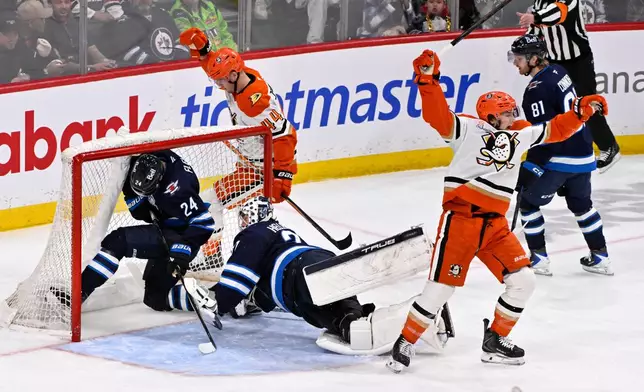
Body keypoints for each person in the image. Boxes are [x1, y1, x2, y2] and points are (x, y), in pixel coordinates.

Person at [385, 49, 608, 373]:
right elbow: (437, 116)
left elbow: (557, 129)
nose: (513, 115)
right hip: (461, 220)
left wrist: (580, 111)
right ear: (490, 118)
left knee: (524, 281)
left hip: (495, 226)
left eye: (513, 109)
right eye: (506, 112)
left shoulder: (519, 135)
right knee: (441, 288)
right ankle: (405, 341)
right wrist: (427, 80)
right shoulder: (468, 131)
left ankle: (495, 340)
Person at [182, 195, 453, 352]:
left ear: (249, 219)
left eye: (243, 219)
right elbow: (257, 294)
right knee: (351, 315)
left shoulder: (253, 234)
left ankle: (420, 318)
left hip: (296, 281)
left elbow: (237, 281)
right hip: (320, 262)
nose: (241, 223)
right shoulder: (280, 231)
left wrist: (216, 301)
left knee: (355, 332)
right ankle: (424, 312)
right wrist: (247, 302)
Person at [179, 27, 297, 267]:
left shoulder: (254, 103)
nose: (219, 84)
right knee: (252, 221)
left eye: (221, 79)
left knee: (212, 204)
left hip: (261, 169)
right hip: (249, 164)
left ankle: (214, 261)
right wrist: (203, 51)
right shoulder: (239, 76)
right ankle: (265, 258)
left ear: (233, 75)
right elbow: (214, 63)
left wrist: (282, 176)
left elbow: (285, 134)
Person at [509, 34, 612, 276]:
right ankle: (600, 256)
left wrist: (532, 166)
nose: (516, 63)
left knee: (528, 203)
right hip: (584, 154)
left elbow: (547, 136)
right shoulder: (558, 71)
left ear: (534, 59)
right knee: (582, 206)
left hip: (559, 158)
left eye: (519, 58)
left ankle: (539, 259)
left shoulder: (536, 90)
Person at [62, 151, 217, 313]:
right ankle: (206, 300)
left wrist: (182, 253)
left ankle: (79, 293)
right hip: (166, 227)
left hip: (180, 236)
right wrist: (132, 193)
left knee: (118, 241)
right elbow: (141, 214)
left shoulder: (177, 191)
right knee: (155, 298)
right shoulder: (154, 156)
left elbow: (204, 223)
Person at [517, 0, 621, 173]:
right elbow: (535, 30)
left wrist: (534, 17)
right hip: (555, 60)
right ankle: (562, 150)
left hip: (578, 61)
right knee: (559, 105)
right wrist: (524, 44)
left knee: (585, 103)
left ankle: (609, 146)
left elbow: (558, 13)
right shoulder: (539, 1)